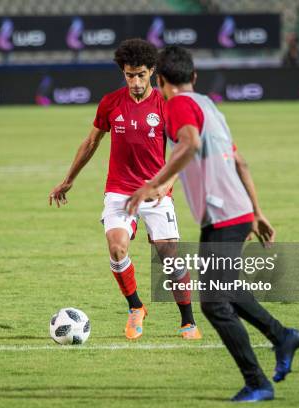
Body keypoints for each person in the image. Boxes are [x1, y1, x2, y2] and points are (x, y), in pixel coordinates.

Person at [126, 45, 299, 402]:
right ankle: (282, 336)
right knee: (226, 292)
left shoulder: (176, 105)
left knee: (214, 303)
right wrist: (256, 211)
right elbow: (241, 163)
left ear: (159, 81)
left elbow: (189, 144)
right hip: (232, 213)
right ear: (194, 77)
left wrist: (155, 183)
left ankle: (257, 382)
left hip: (223, 214)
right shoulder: (209, 105)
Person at [49, 39, 200, 341]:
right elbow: (91, 142)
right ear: (123, 73)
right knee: (117, 247)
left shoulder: (166, 105)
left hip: (156, 191)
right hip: (119, 191)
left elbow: (184, 149)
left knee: (169, 259)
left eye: (141, 74)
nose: (135, 81)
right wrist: (69, 179)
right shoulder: (111, 102)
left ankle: (187, 321)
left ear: (152, 72)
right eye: (130, 75)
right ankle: (136, 307)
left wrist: (165, 185)